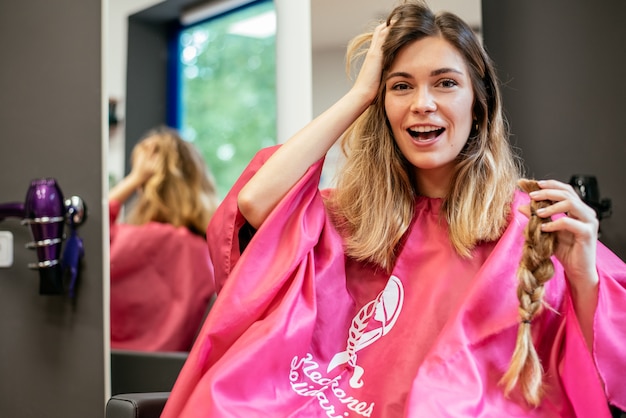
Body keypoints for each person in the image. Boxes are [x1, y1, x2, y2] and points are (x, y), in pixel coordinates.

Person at [161, 1, 626, 416]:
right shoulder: (348, 220)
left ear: (479, 105)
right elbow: (254, 202)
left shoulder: (526, 224)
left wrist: (583, 277)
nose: (423, 104)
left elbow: (601, 374)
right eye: (401, 87)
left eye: (445, 83)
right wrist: (360, 94)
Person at [109, 126, 219, 352]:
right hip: (174, 373)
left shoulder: (141, 241)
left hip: (119, 365)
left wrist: (133, 179)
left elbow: (88, 235)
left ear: (147, 186)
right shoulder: (207, 249)